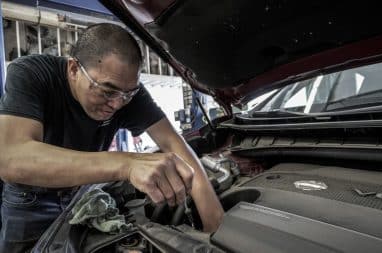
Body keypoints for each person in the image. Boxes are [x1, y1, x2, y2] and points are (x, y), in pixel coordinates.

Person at [0, 23, 223, 252]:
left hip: (82, 195)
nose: (117, 104)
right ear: (74, 69)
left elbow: (173, 144)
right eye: (106, 91)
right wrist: (126, 164)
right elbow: (11, 158)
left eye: (128, 94)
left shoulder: (127, 93)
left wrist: (214, 226)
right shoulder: (33, 73)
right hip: (30, 200)